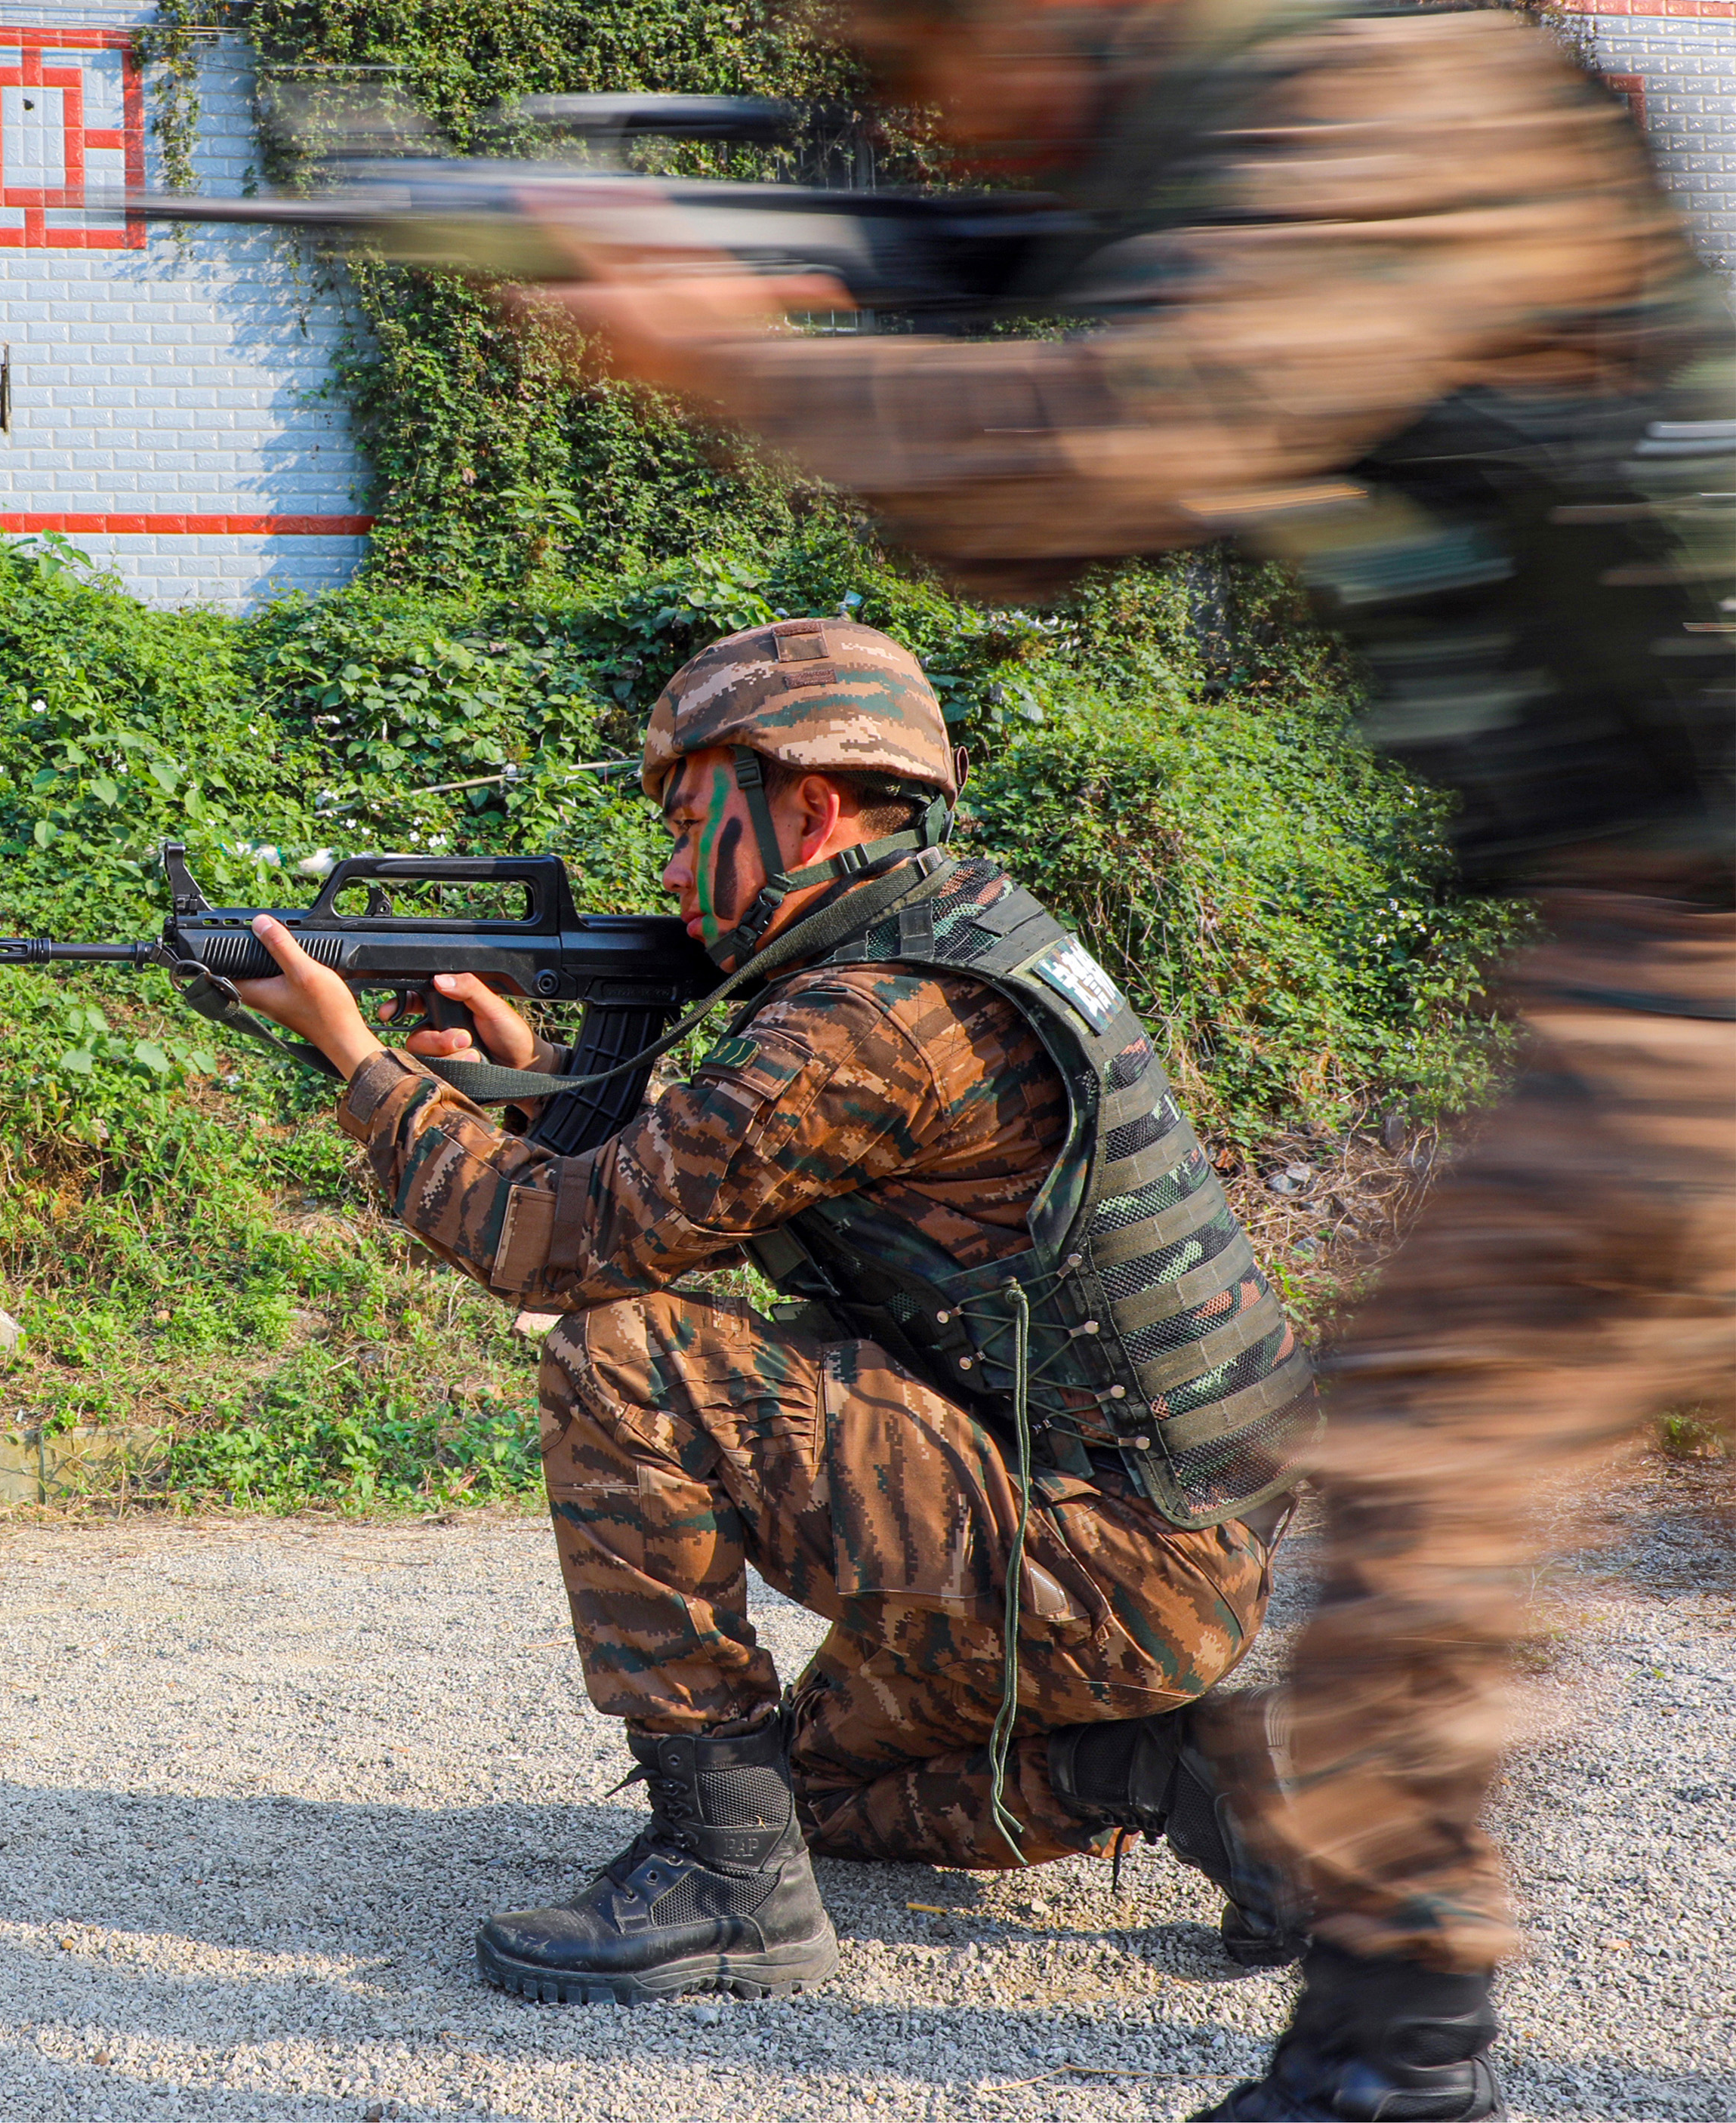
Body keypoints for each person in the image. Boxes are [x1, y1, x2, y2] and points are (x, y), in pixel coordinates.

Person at [513, 5, 1736, 2114]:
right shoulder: (1235, 159)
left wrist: (737, 351)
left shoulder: (1377, 94)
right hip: (1647, 949)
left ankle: (1376, 2042)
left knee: (1424, 1467)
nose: (936, 112)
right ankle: (1379, 2043)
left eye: (931, 56)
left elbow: (1101, 454)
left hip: (1688, 953)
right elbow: (1038, 508)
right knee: (1425, 1477)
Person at [228, 618, 1309, 2007]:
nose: (671, 867)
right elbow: (689, 1173)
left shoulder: (875, 1021)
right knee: (814, 1796)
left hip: (1098, 1567)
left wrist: (357, 1060)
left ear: (804, 804)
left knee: (623, 1358)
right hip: (1143, 1543)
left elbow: (557, 1249)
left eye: (689, 819)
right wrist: (525, 1073)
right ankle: (1173, 1765)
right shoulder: (957, 941)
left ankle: (728, 1892)